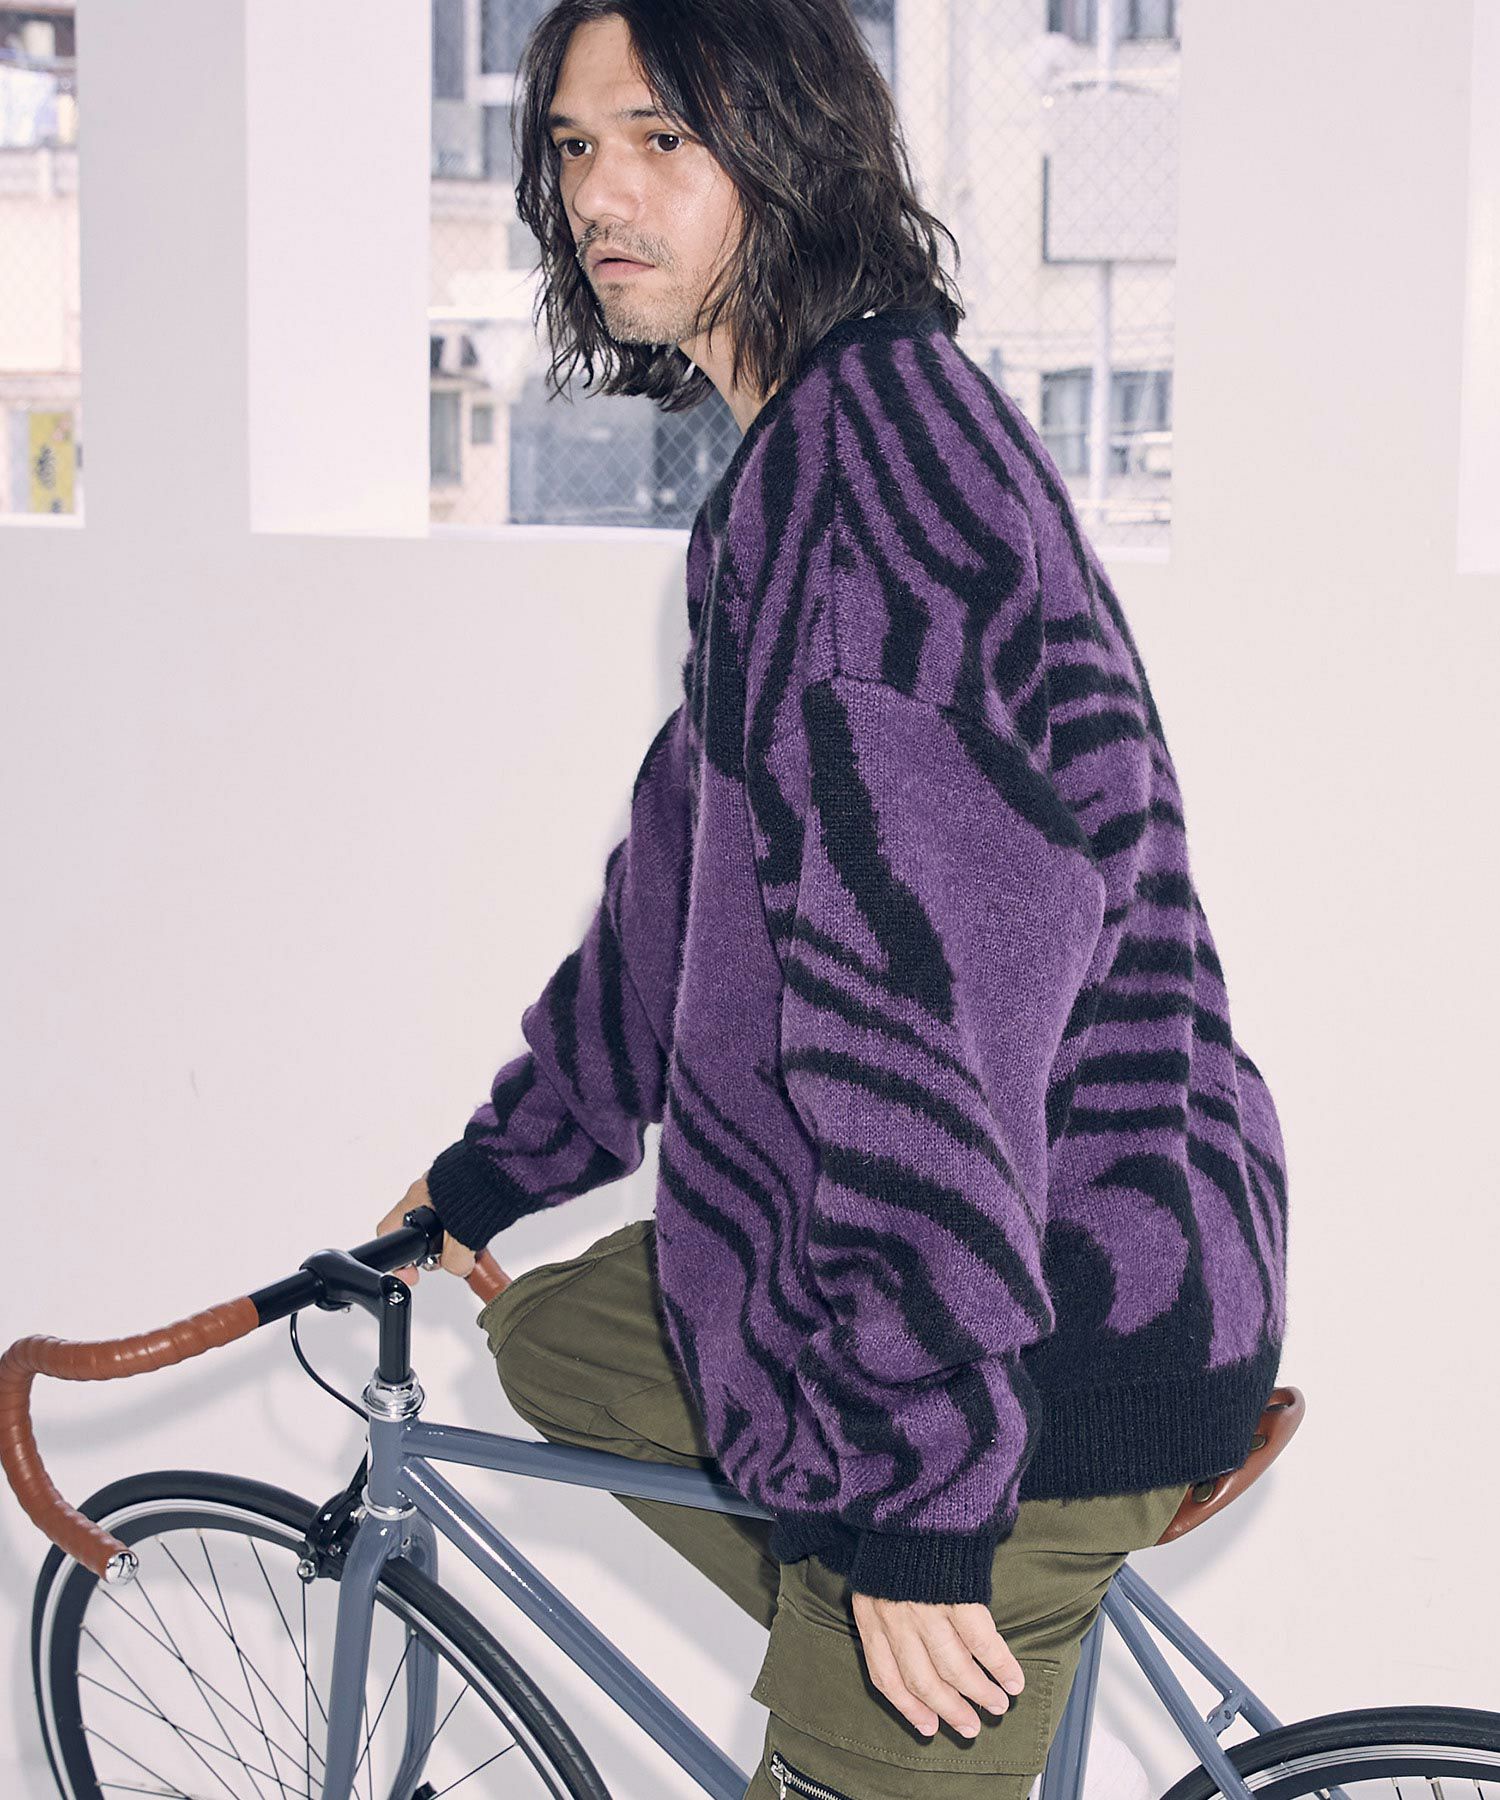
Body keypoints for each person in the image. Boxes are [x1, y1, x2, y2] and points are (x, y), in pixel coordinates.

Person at [377, 3, 1290, 1794]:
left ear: (787, 152)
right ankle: (868, 1607)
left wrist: (925, 1500)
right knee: (566, 1339)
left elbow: (934, 1013)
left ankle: (913, 1644)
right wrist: (497, 1168)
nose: (601, 195)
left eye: (662, 139)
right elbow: (680, 873)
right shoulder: (819, 452)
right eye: (573, 147)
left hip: (1050, 1327)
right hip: (1082, 1234)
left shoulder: (860, 487)